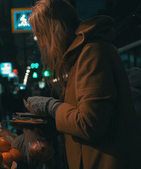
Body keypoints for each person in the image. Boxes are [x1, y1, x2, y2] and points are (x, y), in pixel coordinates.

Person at [24, 0, 141, 169]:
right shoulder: (79, 55)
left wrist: (52, 107)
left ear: (54, 31)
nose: (42, 44)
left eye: (41, 35)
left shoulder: (92, 54)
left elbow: (90, 124)